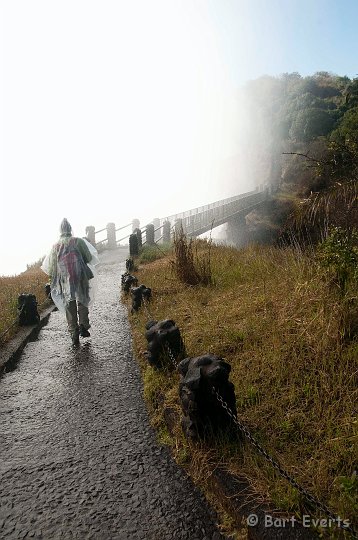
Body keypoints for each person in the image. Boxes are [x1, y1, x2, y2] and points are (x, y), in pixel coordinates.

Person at [42, 218, 99, 345]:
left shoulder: (55, 246)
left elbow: (51, 267)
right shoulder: (78, 241)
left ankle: (74, 333)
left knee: (69, 304)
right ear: (70, 229)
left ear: (60, 230)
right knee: (83, 299)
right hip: (80, 276)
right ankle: (84, 325)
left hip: (64, 280)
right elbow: (89, 257)